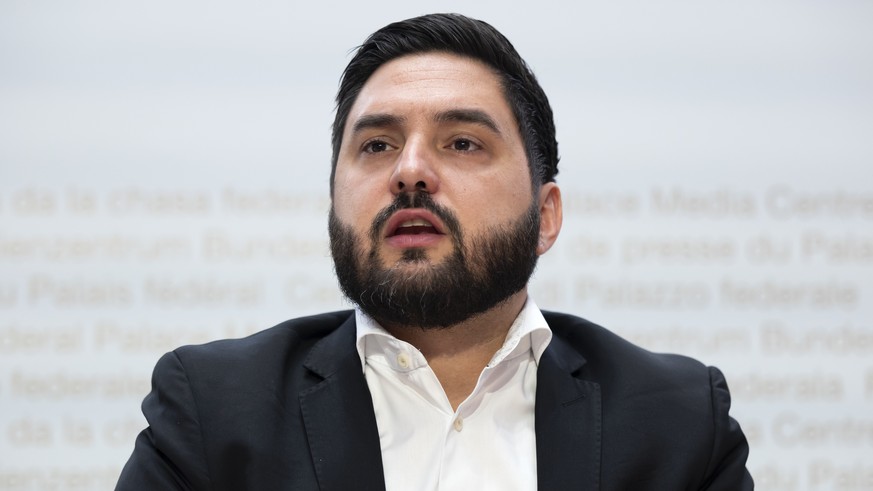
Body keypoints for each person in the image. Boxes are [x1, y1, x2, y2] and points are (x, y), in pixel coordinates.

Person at [116, 13, 753, 490]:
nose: (411, 171)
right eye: (377, 146)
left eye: (463, 143)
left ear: (545, 215)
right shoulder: (215, 411)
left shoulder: (678, 423)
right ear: (334, 203)